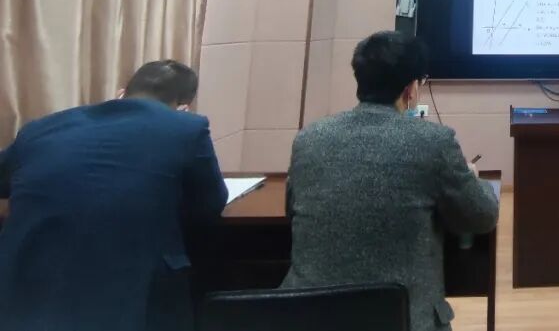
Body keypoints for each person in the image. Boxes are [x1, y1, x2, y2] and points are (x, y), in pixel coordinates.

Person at [283, 31, 499, 331]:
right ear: (411, 89)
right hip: (403, 319)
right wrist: (475, 180)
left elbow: (291, 211)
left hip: (307, 317)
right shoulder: (433, 142)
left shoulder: (308, 138)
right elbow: (483, 216)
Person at [0, 60, 228, 331]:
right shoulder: (187, 127)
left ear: (121, 93)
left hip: (24, 285)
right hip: (130, 294)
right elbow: (209, 204)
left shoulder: (40, 128)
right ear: (183, 106)